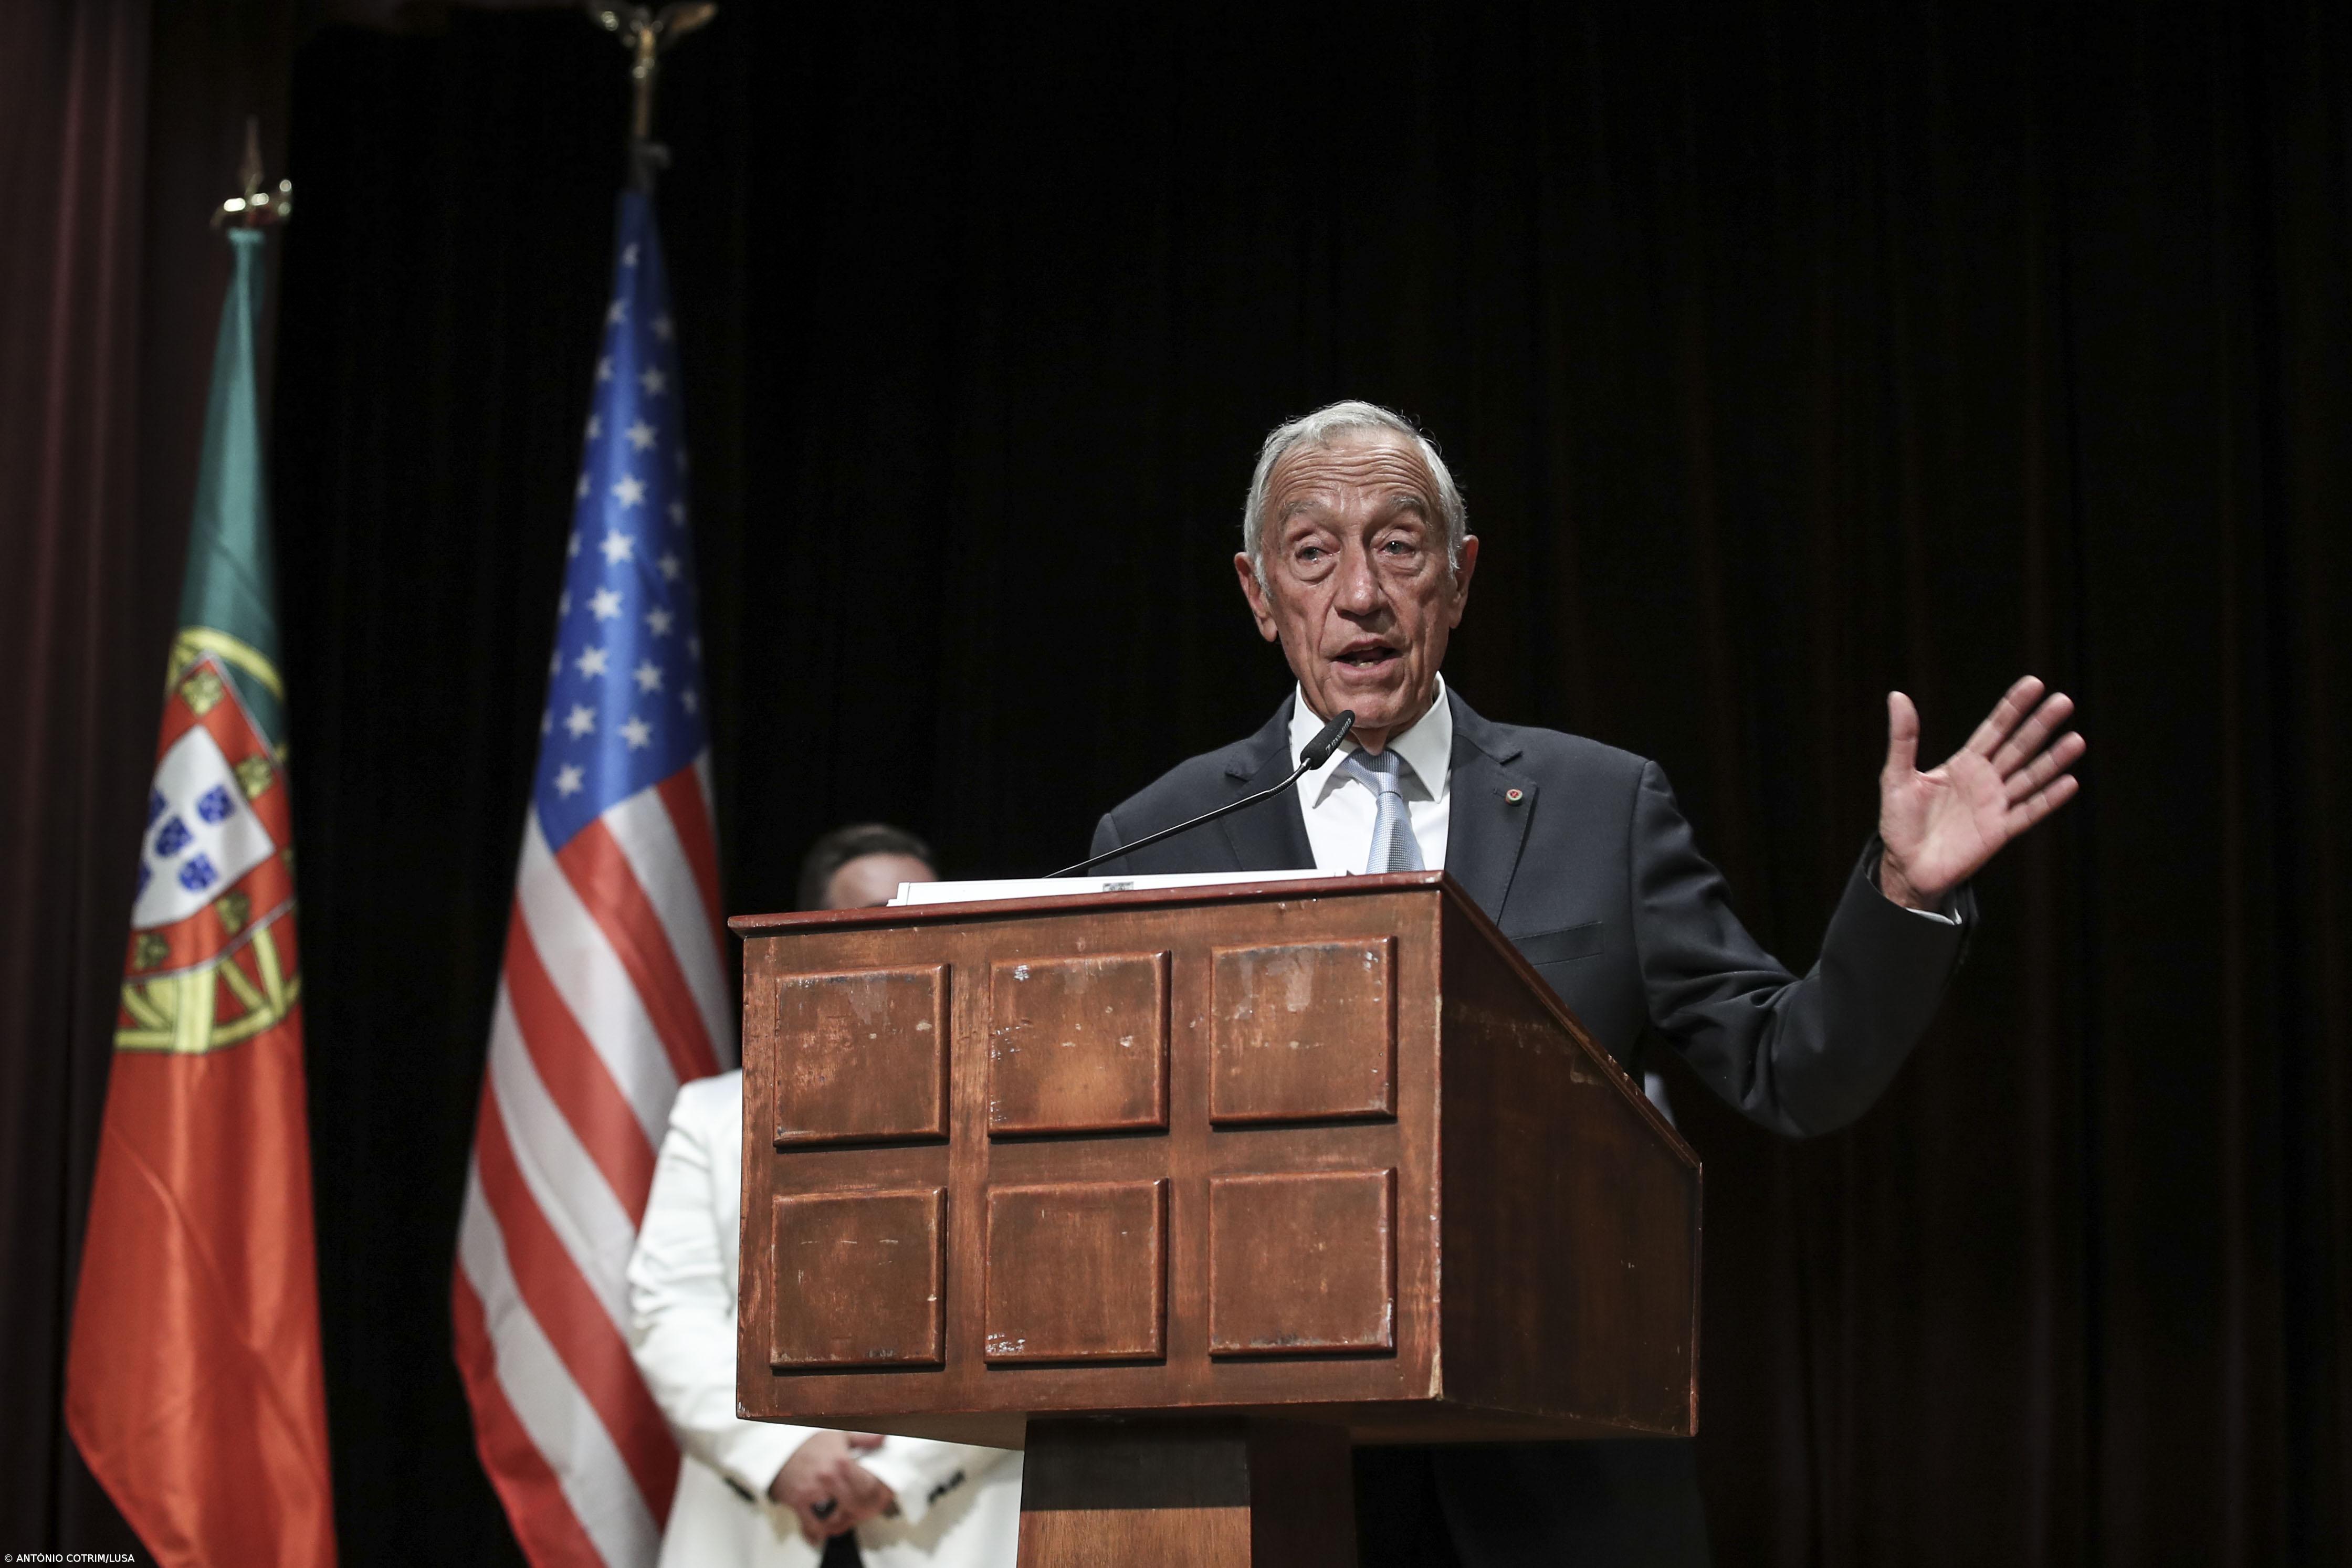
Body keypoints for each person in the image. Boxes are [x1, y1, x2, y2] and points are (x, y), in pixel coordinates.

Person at [1084, 401, 2085, 1568]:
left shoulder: (1599, 806)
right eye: (1312, 554)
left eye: (1399, 546)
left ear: (1457, 581)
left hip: (1560, 1492)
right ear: (1260, 597)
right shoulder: (1157, 841)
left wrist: (1901, 900)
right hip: (1264, 1487)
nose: (1360, 592)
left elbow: (1789, 1071)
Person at [626, 824, 1022, 1568]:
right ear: (817, 936)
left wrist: (894, 1468)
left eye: (928, 915)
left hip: (949, 1525)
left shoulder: (1018, 1112)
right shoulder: (716, 1117)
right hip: (756, 1523)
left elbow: (1036, 1322)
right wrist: (786, 1455)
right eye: (878, 914)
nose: (905, 934)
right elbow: (670, 1312)